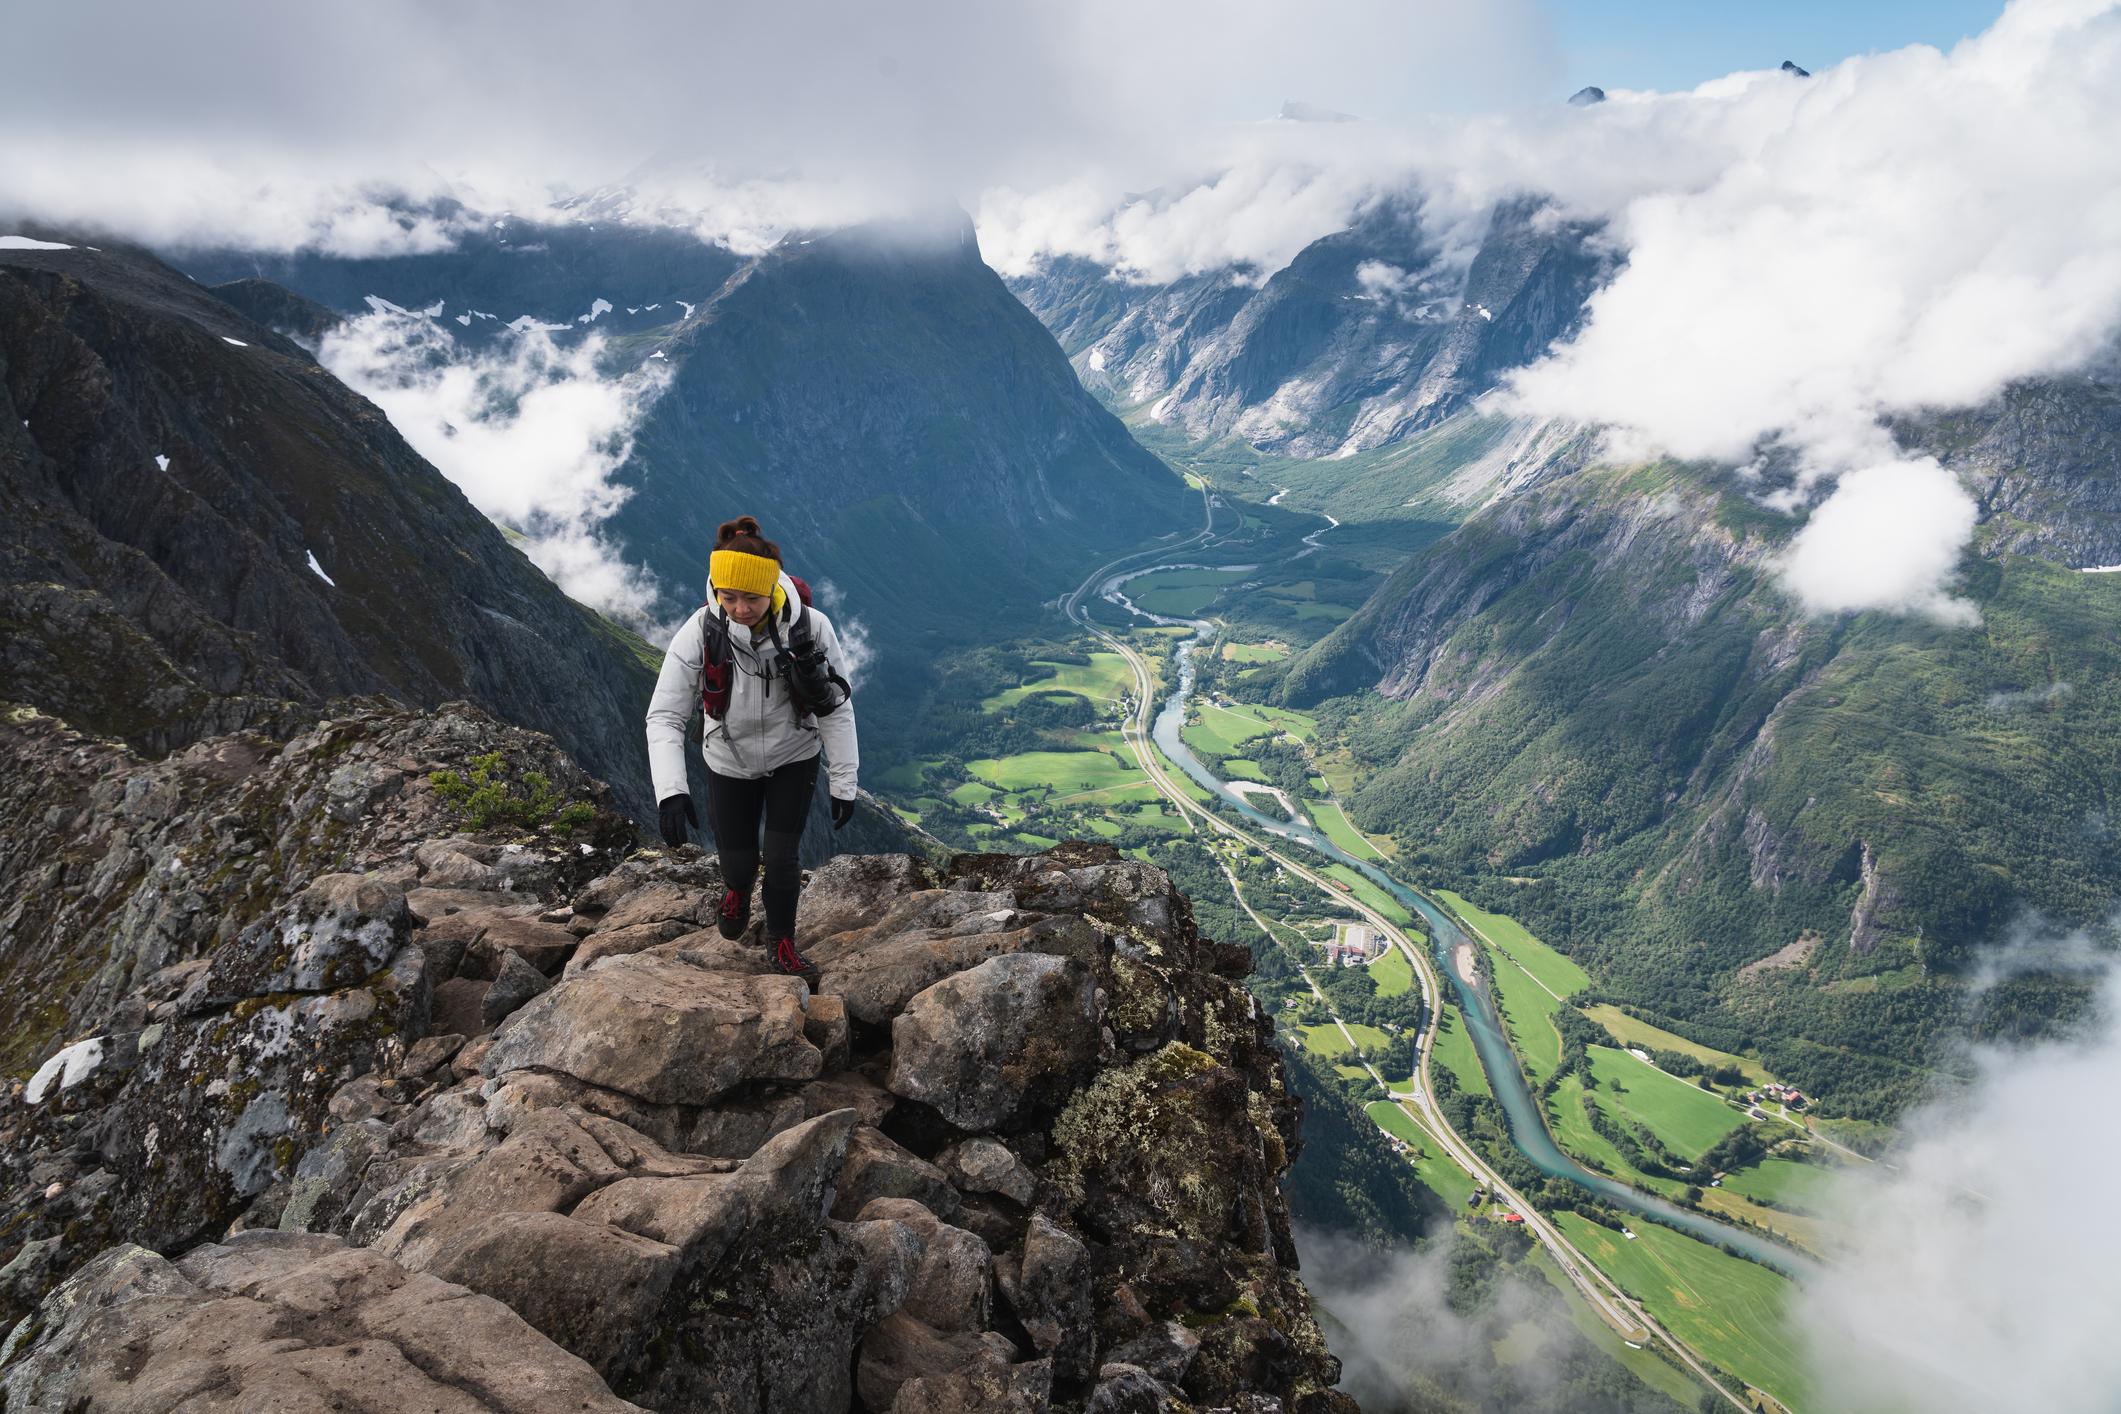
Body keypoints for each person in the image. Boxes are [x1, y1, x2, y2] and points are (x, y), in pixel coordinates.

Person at [646, 515, 859, 985]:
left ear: (773, 590)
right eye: (730, 597)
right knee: (738, 862)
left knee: (782, 859)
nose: (740, 608)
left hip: (793, 757)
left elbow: (836, 707)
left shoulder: (810, 629)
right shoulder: (702, 632)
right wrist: (671, 791)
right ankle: (737, 890)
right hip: (728, 761)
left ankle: (781, 941)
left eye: (751, 598)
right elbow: (665, 715)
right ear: (717, 590)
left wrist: (844, 782)